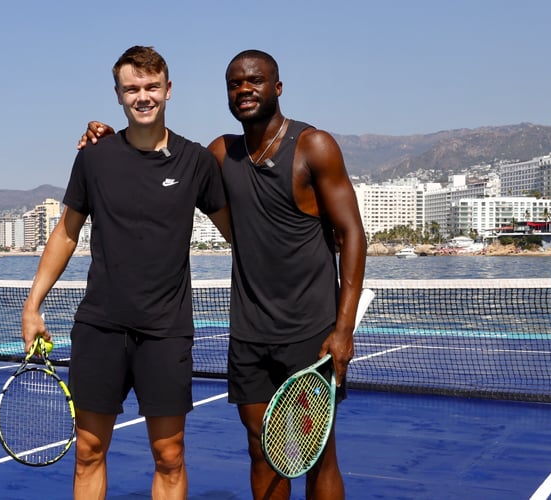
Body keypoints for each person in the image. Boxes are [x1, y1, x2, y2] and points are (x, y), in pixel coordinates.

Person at [80, 49, 367, 500]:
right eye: (235, 84)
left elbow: (353, 236)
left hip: (310, 332)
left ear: (277, 87)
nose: (245, 89)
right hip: (250, 333)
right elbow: (158, 158)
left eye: (255, 80)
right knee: (263, 448)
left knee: (318, 453)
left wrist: (343, 328)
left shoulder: (314, 146)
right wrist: (103, 135)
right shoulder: (219, 154)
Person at [22, 45, 230, 500]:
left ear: (168, 90)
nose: (143, 96)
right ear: (118, 94)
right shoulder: (94, 157)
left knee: (170, 457)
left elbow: (241, 234)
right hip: (100, 328)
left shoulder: (195, 162)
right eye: (132, 88)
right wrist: (32, 304)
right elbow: (65, 233)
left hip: (166, 332)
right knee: (88, 454)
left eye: (151, 86)